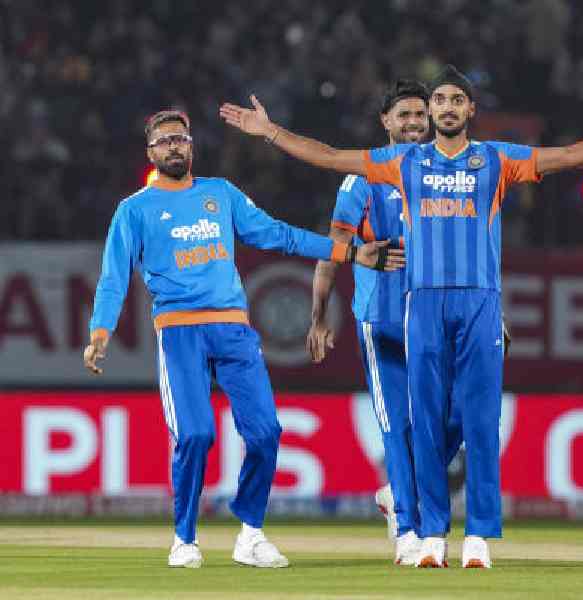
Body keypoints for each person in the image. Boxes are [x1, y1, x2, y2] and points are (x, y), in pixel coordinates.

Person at [220, 64, 583, 569]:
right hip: (420, 304)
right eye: (437, 99)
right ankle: (429, 536)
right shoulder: (403, 161)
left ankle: (479, 538)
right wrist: (271, 133)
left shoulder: (497, 160)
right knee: (422, 423)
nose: (443, 107)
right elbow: (331, 157)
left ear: (469, 110)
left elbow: (571, 156)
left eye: (452, 100)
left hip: (480, 302)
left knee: (480, 420)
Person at [83, 109, 402, 569]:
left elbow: (277, 235)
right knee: (194, 434)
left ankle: (250, 533)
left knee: (267, 432)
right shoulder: (134, 209)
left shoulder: (220, 194)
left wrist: (349, 252)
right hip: (179, 331)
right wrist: (99, 334)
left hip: (232, 328)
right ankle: (184, 539)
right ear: (150, 151)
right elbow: (113, 278)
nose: (175, 146)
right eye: (165, 140)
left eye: (182, 139)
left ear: (192, 147)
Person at [306, 79, 443, 565]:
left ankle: (395, 492)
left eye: (419, 115)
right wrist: (320, 314)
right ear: (385, 122)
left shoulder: (441, 174)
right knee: (398, 426)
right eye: (403, 115)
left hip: (437, 318)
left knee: (453, 418)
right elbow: (332, 247)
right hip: (381, 318)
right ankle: (408, 528)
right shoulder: (362, 178)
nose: (412, 123)